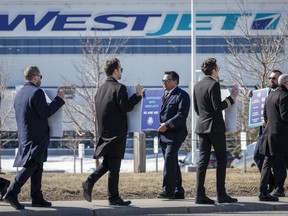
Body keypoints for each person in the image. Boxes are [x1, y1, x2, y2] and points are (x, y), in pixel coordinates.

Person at [82, 58, 145, 206]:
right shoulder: (119, 88)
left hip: (104, 133)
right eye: (121, 69)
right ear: (115, 71)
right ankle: (113, 197)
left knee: (108, 164)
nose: (122, 71)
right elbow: (126, 107)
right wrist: (137, 95)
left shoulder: (101, 89)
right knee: (114, 166)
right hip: (116, 134)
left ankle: (91, 182)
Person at [3, 66, 65, 209]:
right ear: (35, 77)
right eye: (40, 77)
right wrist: (59, 100)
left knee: (38, 165)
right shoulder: (37, 92)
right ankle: (12, 192)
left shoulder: (19, 94)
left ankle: (37, 197)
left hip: (25, 135)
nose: (41, 80)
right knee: (32, 165)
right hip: (37, 136)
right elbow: (45, 113)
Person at [193, 58, 238, 204]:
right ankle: (221, 194)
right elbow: (217, 107)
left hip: (202, 126)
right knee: (222, 159)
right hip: (215, 128)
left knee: (202, 162)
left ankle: (199, 195)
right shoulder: (214, 84)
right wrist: (231, 98)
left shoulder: (197, 85)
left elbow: (196, 109)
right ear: (213, 71)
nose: (218, 72)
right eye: (217, 69)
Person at [252, 70, 287, 197]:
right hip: (280, 136)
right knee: (271, 162)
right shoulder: (284, 96)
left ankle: (264, 191)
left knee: (268, 163)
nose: (271, 80)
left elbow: (265, 116)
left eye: (274, 78)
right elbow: (285, 116)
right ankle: (270, 190)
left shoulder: (269, 97)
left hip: (269, 134)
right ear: (286, 83)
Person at [156, 71, 190, 199]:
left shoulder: (182, 95)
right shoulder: (163, 95)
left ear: (175, 81)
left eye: (167, 80)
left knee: (169, 159)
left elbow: (181, 115)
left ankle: (167, 190)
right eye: (163, 80)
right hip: (163, 134)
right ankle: (178, 190)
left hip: (176, 133)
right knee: (172, 162)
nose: (164, 83)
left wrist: (167, 125)